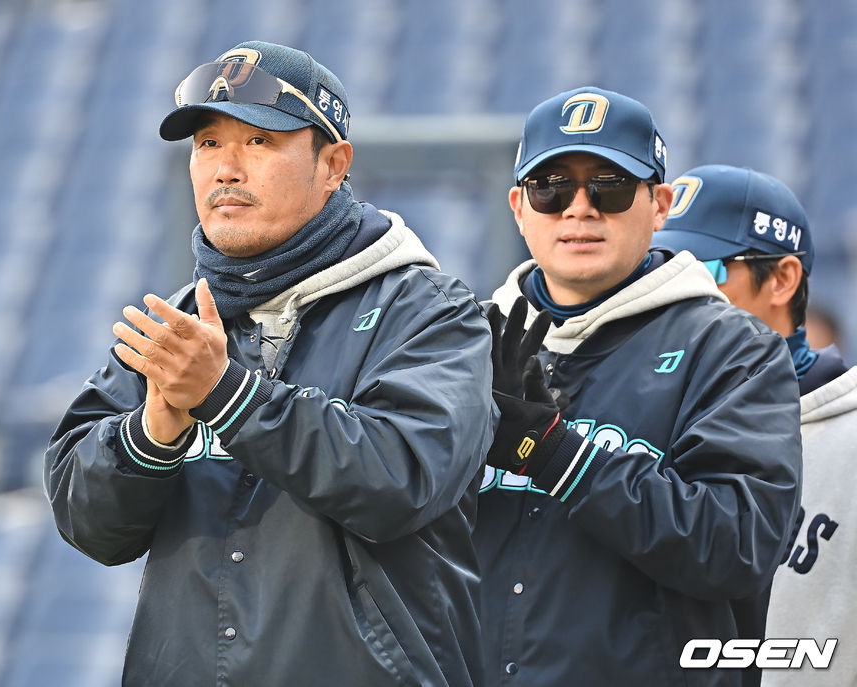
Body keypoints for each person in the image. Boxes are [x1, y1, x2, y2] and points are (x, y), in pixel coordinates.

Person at [44, 41, 496, 686]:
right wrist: (151, 435)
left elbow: (404, 481)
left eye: (259, 141)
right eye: (207, 144)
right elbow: (90, 525)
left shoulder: (430, 310)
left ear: (333, 164)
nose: (226, 170)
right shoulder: (181, 324)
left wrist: (228, 396)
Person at [474, 87, 802, 687]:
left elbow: (737, 548)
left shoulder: (733, 349)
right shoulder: (464, 339)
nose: (579, 209)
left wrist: (556, 454)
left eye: (610, 186)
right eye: (551, 188)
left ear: (660, 205)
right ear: (520, 207)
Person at [653, 164, 857, 687]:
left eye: (702, 269)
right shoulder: (638, 419)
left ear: (783, 280)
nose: (669, 289)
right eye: (659, 268)